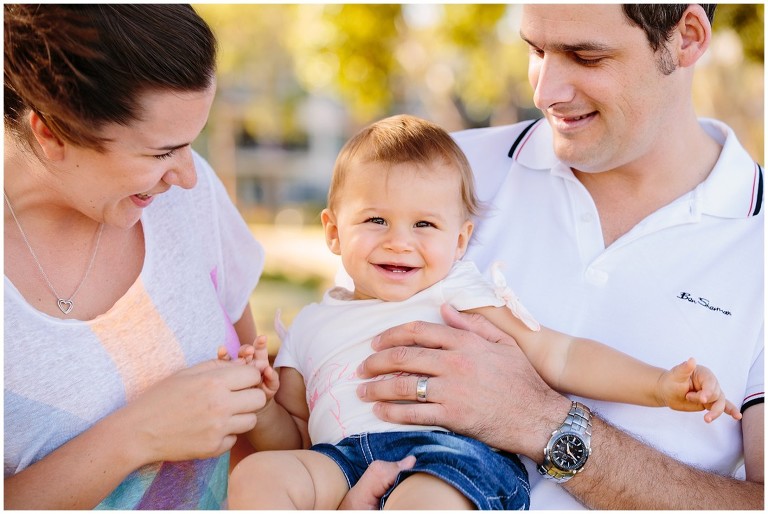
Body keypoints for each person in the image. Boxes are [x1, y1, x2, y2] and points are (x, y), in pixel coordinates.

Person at [353, 5, 764, 510]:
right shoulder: (432, 179)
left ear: (687, 37)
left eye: (586, 56)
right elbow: (325, 391)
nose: (545, 92)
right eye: (535, 49)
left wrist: (543, 423)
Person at [225, 114, 741, 510]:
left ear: (461, 239)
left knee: (417, 504)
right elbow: (293, 431)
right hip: (342, 460)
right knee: (257, 478)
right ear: (334, 232)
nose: (399, 242)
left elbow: (558, 355)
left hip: (450, 458)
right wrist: (261, 406)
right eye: (376, 219)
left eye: (424, 225)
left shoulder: (460, 293)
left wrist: (657, 386)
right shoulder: (311, 324)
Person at [2, 5, 272, 509]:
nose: (188, 176)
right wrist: (140, 434)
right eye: (160, 152)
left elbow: (262, 416)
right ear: (51, 132)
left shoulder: (188, 200)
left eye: (192, 144)